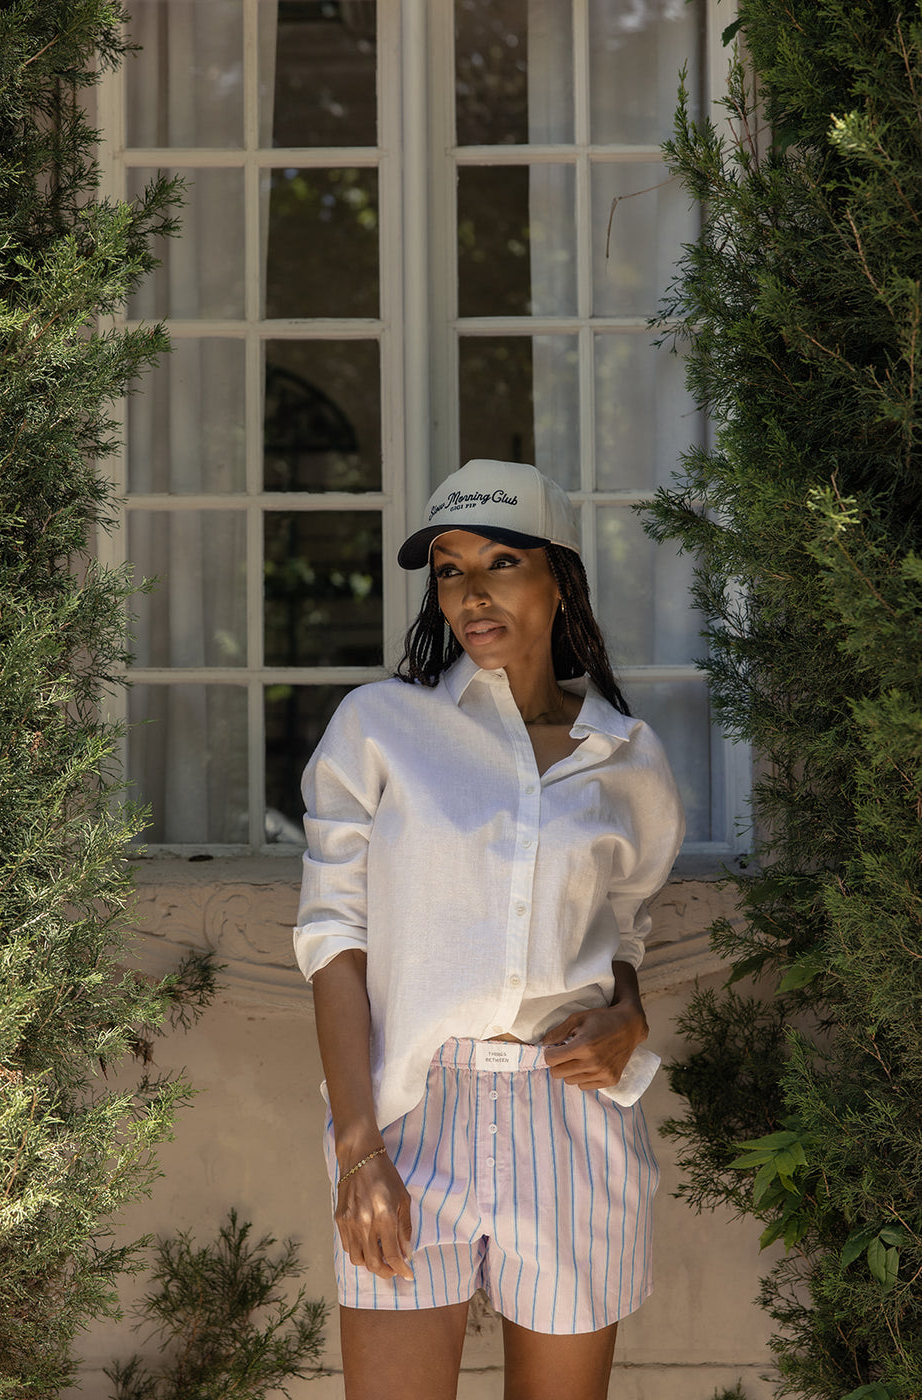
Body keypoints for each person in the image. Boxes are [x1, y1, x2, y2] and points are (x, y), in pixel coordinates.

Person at [294, 459, 684, 1400]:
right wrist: (360, 1149)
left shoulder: (625, 757)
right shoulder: (380, 728)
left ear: (559, 580)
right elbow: (332, 940)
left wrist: (628, 1020)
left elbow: (619, 937)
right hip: (412, 1115)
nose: (471, 591)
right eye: (450, 569)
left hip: (571, 1118)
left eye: (501, 562)